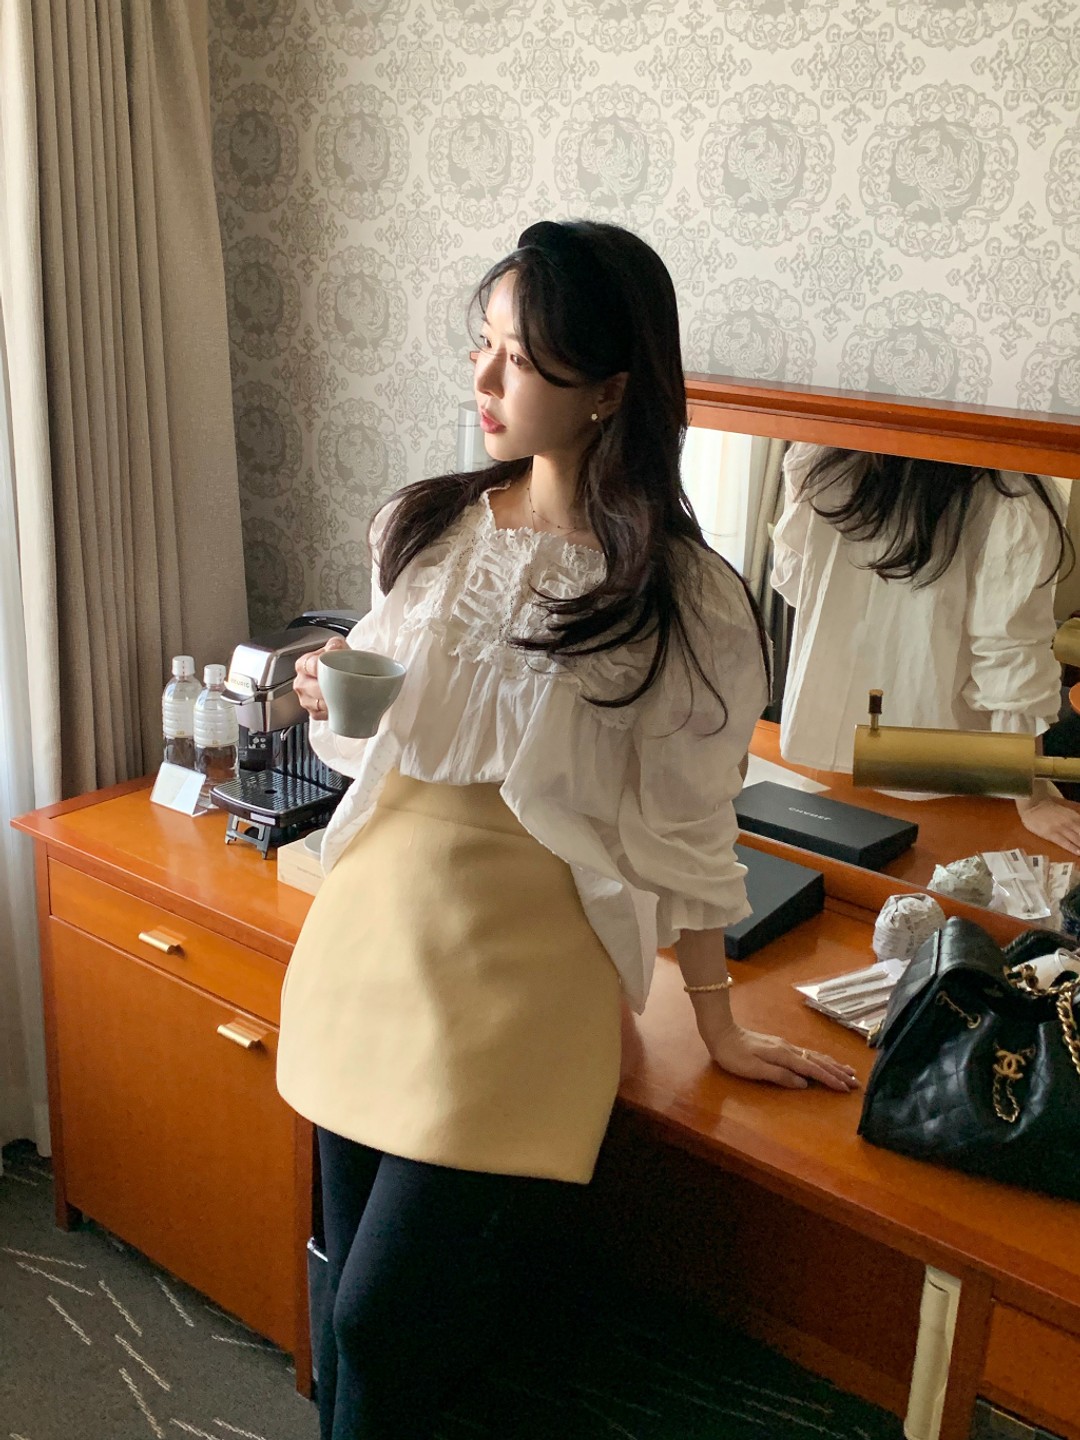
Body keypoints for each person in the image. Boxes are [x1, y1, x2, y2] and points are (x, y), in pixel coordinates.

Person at [278, 221, 858, 1440]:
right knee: (341, 1290)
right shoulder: (420, 526)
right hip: (368, 938)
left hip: (522, 985)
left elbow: (692, 827)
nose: (483, 379)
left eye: (523, 358)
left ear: (610, 387)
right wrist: (333, 689)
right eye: (482, 344)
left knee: (388, 1321)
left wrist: (717, 1021)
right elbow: (392, 730)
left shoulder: (687, 600)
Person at [771, 442, 1080, 850]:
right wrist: (1033, 799)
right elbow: (1011, 658)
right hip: (945, 769)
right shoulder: (1010, 494)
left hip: (826, 748)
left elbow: (794, 581)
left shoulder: (826, 456)